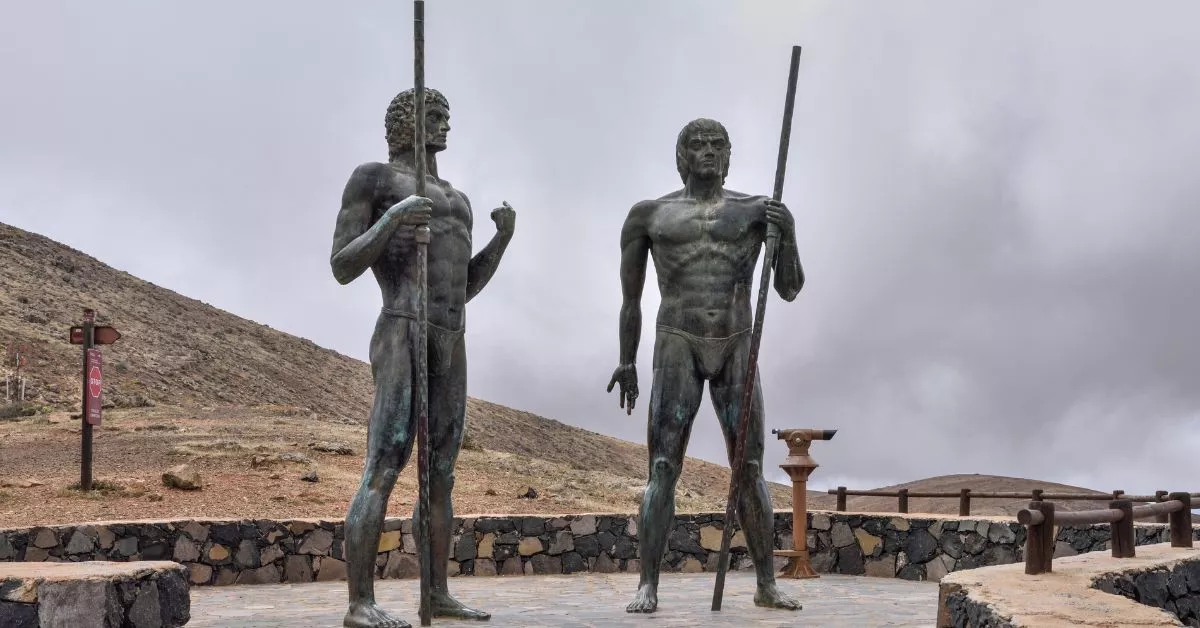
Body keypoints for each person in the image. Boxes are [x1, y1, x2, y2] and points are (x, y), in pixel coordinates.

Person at [331, 87, 515, 628]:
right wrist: (393, 221)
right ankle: (359, 603)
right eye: (435, 116)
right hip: (400, 326)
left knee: (441, 474)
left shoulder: (458, 201)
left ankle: (436, 592)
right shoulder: (375, 179)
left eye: (447, 117)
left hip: (450, 337)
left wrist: (501, 243)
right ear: (406, 122)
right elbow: (342, 264)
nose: (445, 126)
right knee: (385, 463)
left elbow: (463, 286)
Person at [607, 117, 804, 614]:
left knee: (751, 466)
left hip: (737, 340)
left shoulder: (757, 211)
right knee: (663, 466)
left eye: (718, 145)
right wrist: (627, 361)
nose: (709, 152)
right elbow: (631, 300)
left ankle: (766, 583)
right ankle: (646, 584)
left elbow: (789, 288)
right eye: (699, 145)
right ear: (682, 156)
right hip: (677, 339)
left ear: (729, 155)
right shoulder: (648, 216)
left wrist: (789, 233)